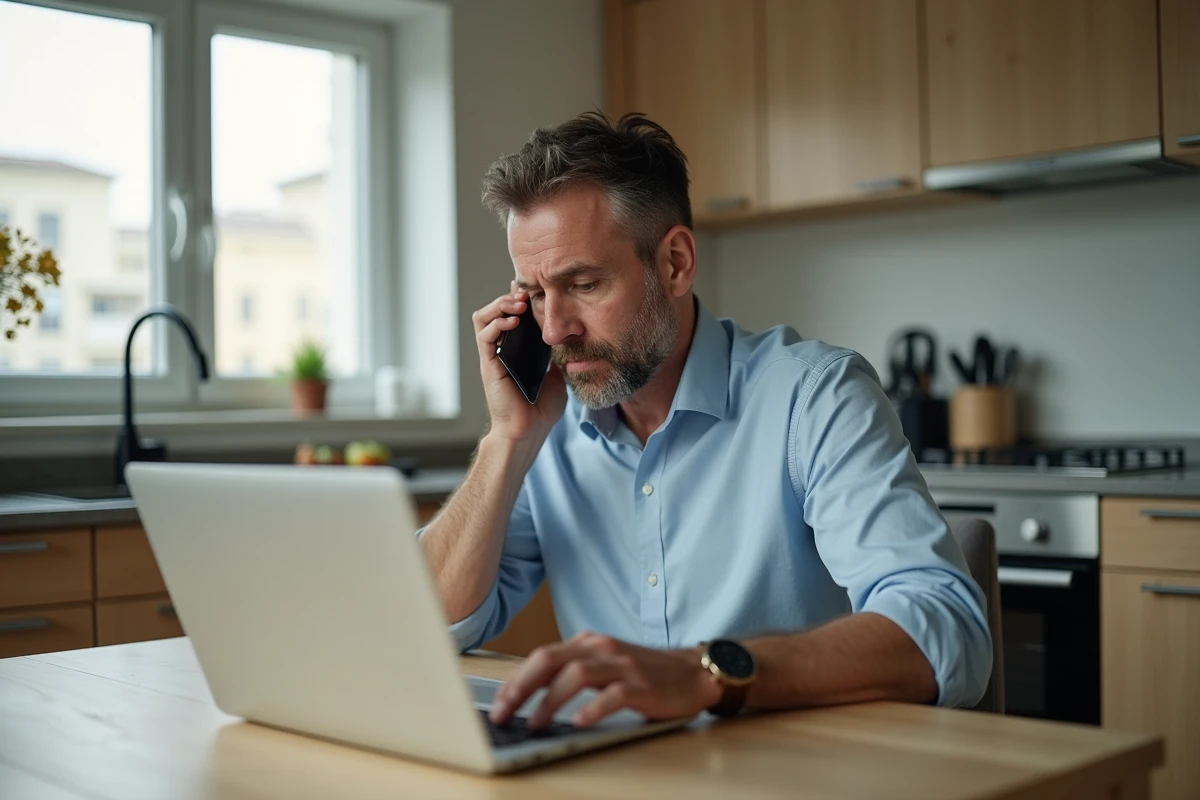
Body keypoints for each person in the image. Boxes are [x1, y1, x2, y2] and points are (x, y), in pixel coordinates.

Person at [417, 111, 991, 730]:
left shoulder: (814, 397)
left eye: (583, 284)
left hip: (792, 764)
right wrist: (506, 439)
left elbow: (946, 630)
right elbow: (428, 624)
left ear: (675, 263)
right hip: (613, 766)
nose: (554, 330)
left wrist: (704, 674)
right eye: (533, 295)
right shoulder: (546, 430)